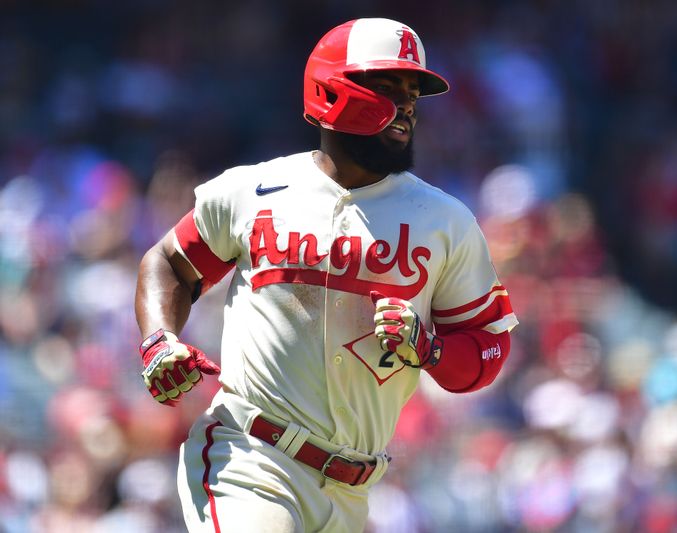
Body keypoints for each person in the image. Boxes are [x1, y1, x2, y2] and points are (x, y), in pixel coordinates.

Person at [134, 17, 518, 533]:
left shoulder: (444, 220)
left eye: (413, 92)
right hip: (251, 459)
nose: (406, 105)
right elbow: (169, 264)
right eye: (387, 86)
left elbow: (486, 349)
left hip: (355, 493)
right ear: (332, 90)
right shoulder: (253, 190)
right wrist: (160, 339)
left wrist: (429, 348)